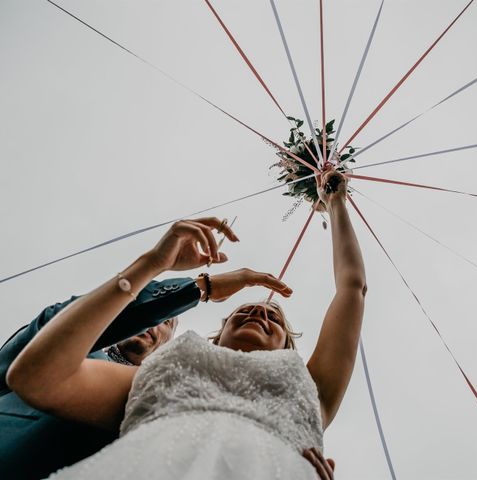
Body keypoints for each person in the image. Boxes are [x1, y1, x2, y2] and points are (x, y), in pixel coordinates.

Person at [8, 169, 363, 479]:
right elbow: (37, 376)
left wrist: (336, 203)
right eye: (245, 311)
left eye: (274, 318)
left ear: (289, 349)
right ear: (216, 336)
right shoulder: (170, 369)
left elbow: (352, 288)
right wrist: (151, 263)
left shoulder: (313, 389)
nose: (260, 313)